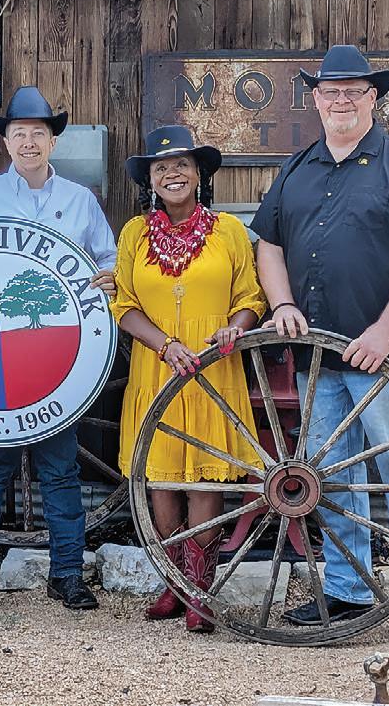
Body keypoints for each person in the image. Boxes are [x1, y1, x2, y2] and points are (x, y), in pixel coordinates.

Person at [252, 44, 389, 649]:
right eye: (330, 92)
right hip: (316, 356)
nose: (341, 101)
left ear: (373, 98)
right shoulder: (297, 169)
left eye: (353, 91)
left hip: (384, 358)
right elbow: (269, 245)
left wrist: (385, 331)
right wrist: (282, 305)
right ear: (315, 100)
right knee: (332, 478)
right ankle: (348, 592)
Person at [0, 86, 117, 618]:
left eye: (37, 134)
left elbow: (108, 261)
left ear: (52, 141)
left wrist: (107, 279)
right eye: (19, 133)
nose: (28, 142)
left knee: (61, 472)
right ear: (6, 141)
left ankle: (67, 576)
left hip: (55, 362)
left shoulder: (80, 201)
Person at [111, 125, 267, 633]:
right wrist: (165, 344)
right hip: (157, 367)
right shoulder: (134, 235)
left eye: (181, 165)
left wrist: (234, 328)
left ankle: (199, 589)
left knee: (204, 476)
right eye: (161, 168)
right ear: (150, 180)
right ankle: (172, 582)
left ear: (199, 174)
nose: (172, 174)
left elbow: (251, 297)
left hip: (212, 369)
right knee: (160, 477)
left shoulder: (229, 232)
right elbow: (124, 306)